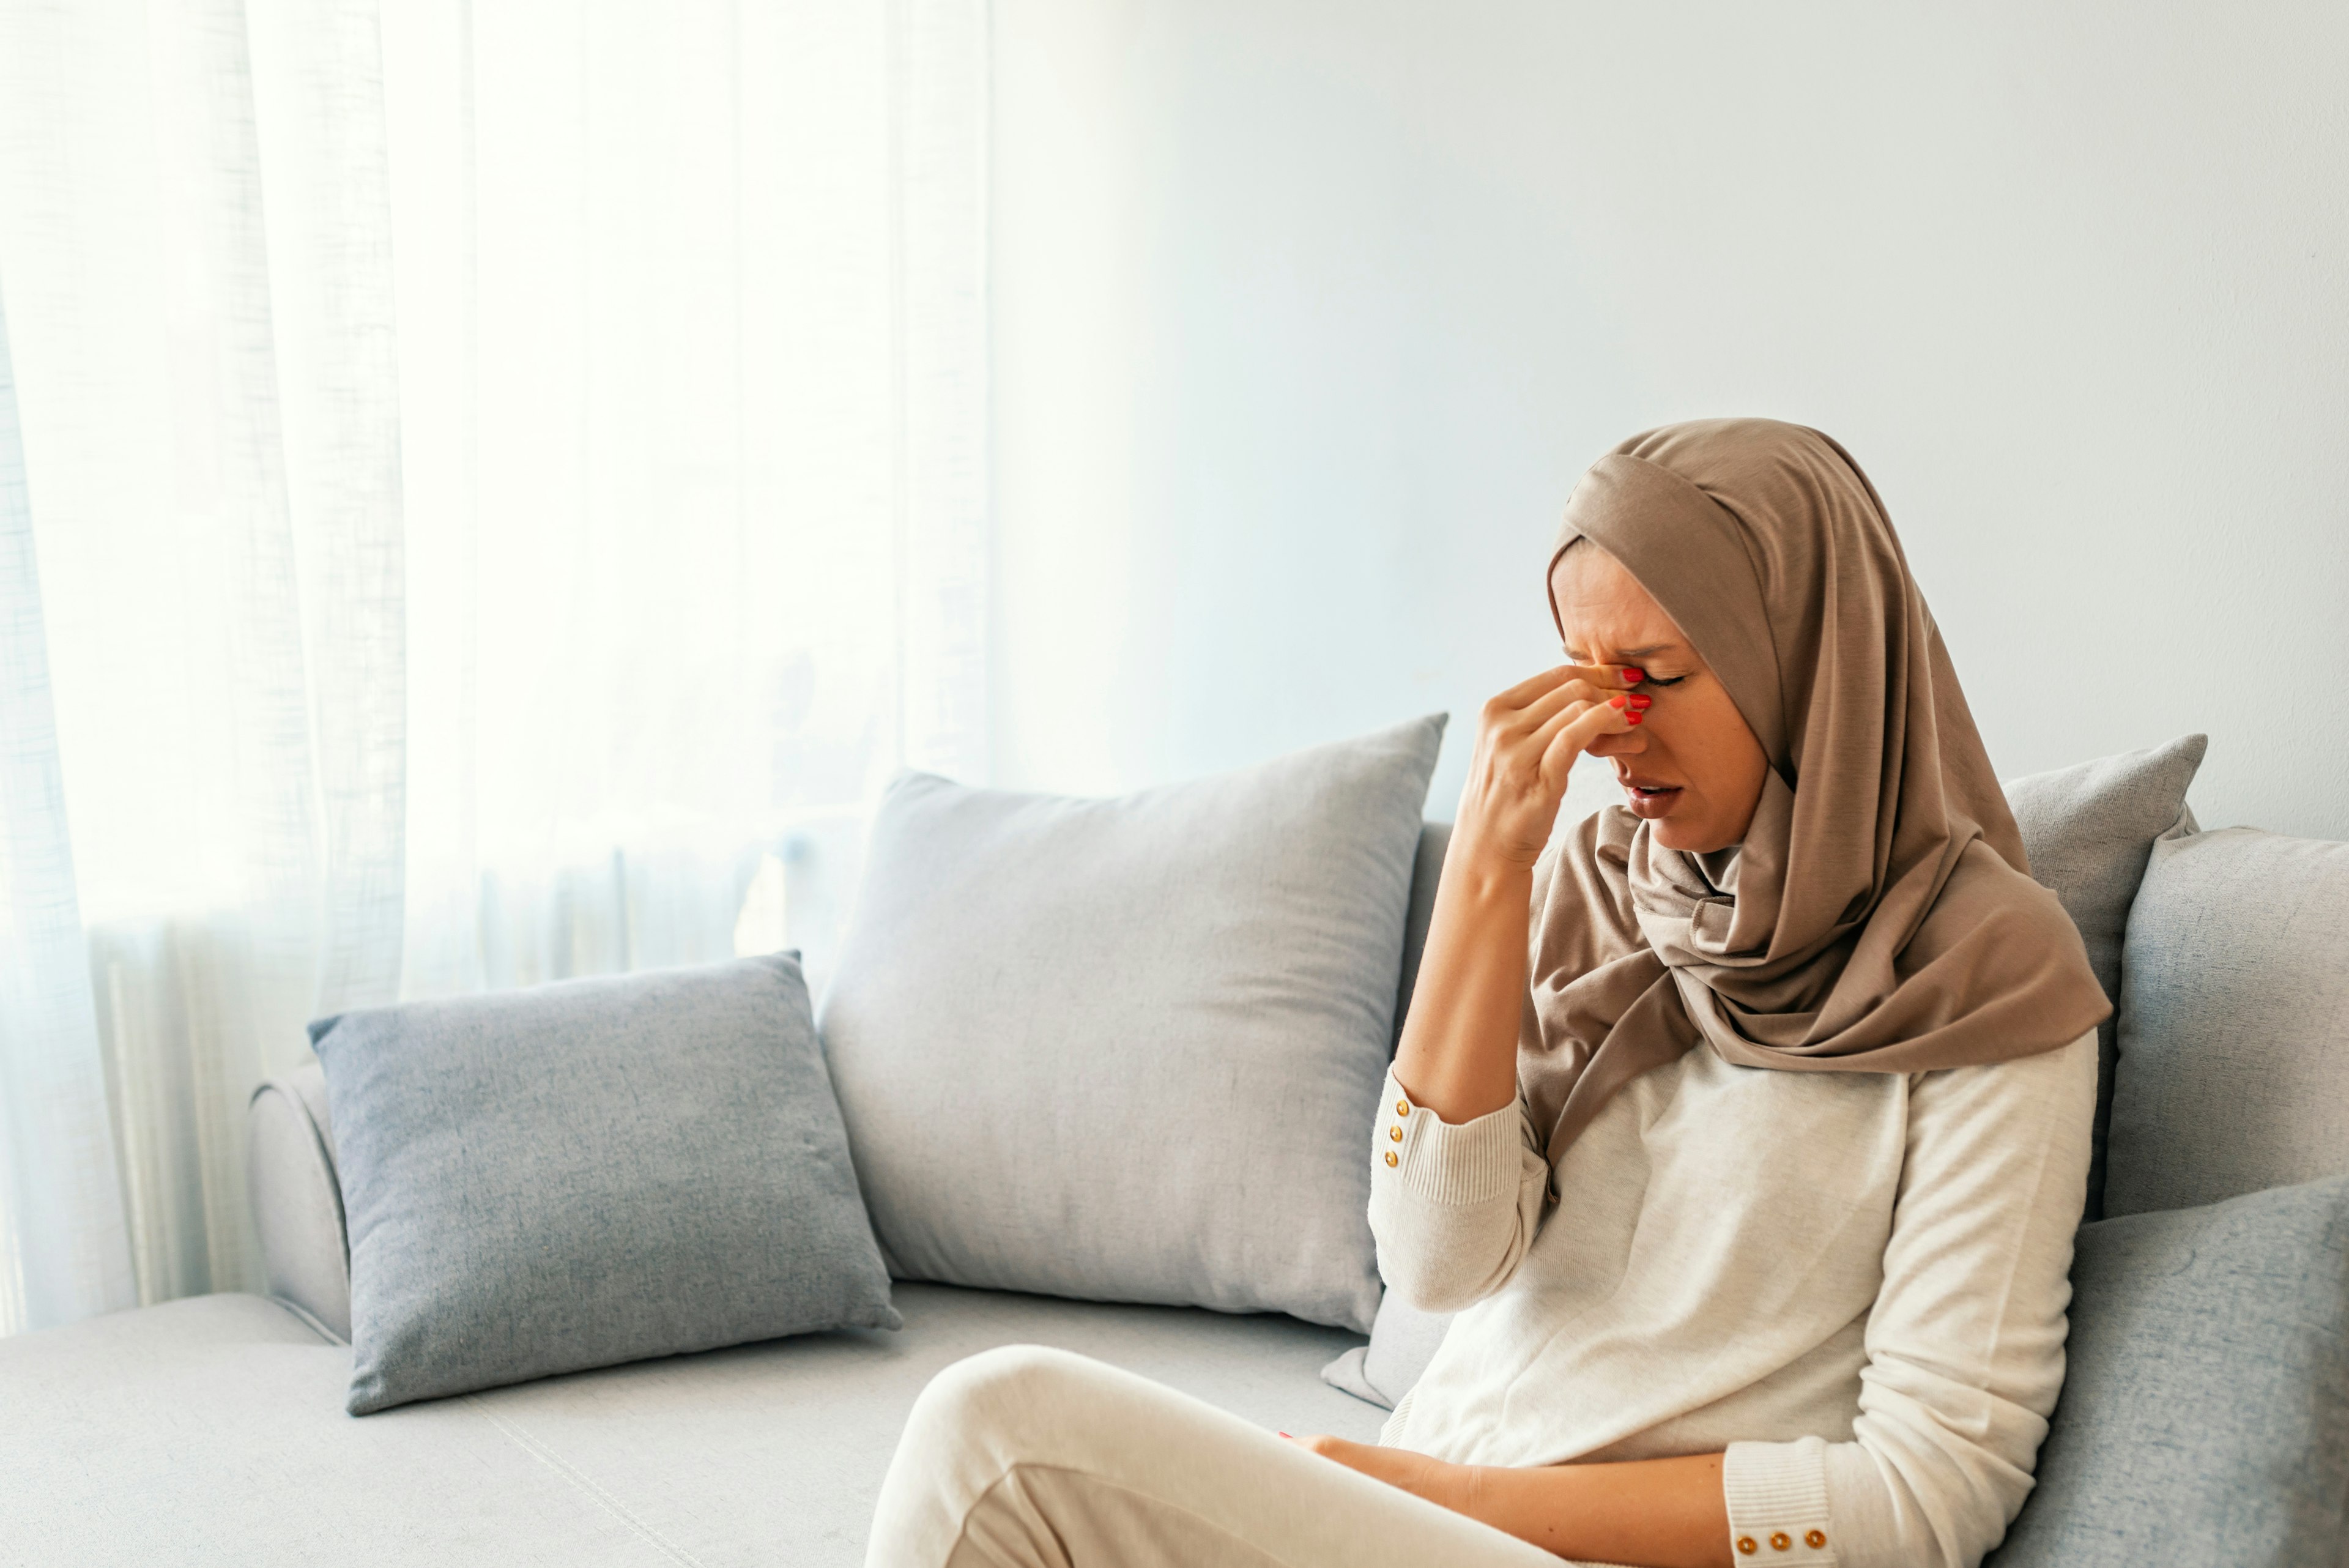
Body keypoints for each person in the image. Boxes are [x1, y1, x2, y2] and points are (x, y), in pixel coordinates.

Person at [863, 418, 2111, 1568]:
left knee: (1002, 1432)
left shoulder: (1984, 974)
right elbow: (1437, 1262)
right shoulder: (1610, 886)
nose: (1609, 730)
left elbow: (1933, 1489)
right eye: (1584, 672)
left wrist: (1450, 1501)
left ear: (1810, 668)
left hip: (1514, 1531)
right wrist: (1484, 878)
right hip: (1422, 1503)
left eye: (1659, 675)